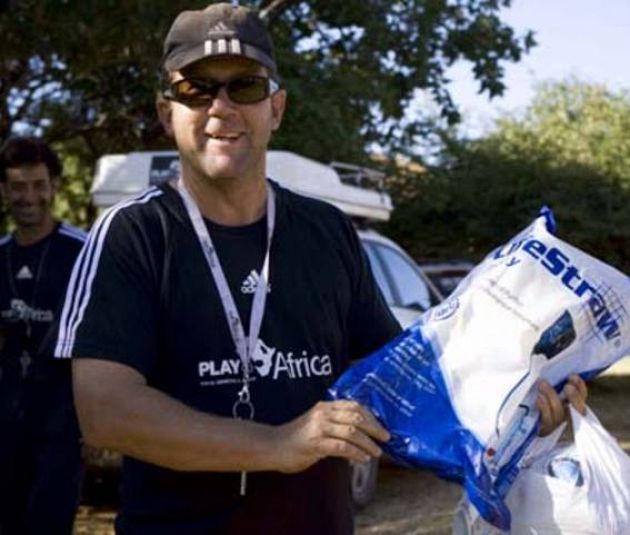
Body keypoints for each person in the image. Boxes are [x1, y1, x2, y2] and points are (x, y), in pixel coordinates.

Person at [52, 4, 586, 534]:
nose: (221, 108)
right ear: (167, 112)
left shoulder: (326, 230)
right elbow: (106, 410)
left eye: (245, 87)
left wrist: (514, 401)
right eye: (196, 89)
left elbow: (398, 384)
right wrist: (278, 444)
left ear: (276, 108)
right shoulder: (132, 234)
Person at [0, 137, 86, 534]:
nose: (28, 196)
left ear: (53, 186)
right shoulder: (1, 256)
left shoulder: (83, 253)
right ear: (4, 191)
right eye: (18, 186)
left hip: (61, 426)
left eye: (38, 185)